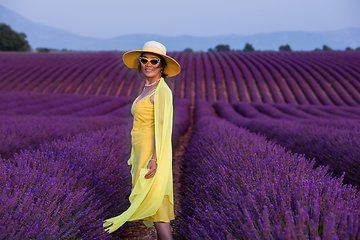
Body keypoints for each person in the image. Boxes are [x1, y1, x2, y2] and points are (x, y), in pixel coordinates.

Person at [104, 41, 181, 240]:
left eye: (154, 61)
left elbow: (162, 129)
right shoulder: (147, 87)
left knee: (157, 203)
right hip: (141, 151)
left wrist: (155, 159)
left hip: (151, 153)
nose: (148, 64)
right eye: (144, 60)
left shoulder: (162, 91)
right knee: (155, 204)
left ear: (162, 66)